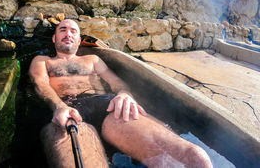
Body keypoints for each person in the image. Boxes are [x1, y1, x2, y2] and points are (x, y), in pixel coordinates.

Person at [29, 19, 212, 168]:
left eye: (73, 31)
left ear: (78, 40)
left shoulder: (92, 59)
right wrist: (59, 107)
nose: (68, 33)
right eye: (63, 29)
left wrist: (125, 94)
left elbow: (117, 83)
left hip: (106, 105)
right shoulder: (43, 60)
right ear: (54, 38)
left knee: (194, 158)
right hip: (65, 109)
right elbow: (41, 83)